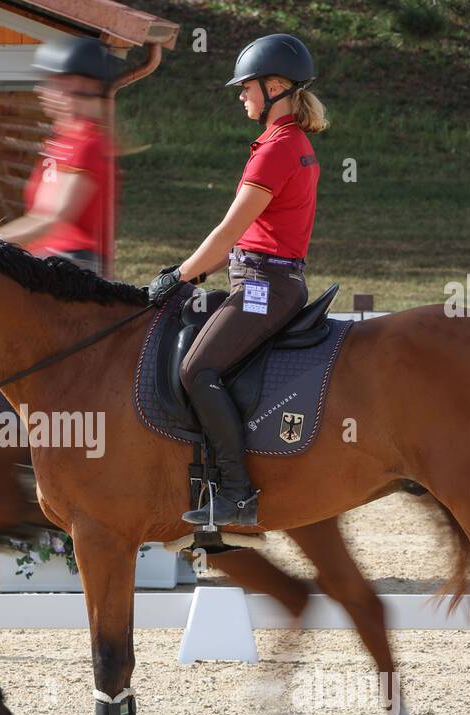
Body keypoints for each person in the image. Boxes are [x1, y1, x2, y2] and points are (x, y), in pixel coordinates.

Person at [146, 34, 327, 526]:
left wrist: (179, 276)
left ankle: (238, 492)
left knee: (197, 370)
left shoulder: (278, 149)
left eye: (245, 87)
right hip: (265, 278)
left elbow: (230, 230)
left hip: (264, 285)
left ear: (274, 87)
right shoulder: (286, 142)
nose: (240, 95)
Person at [0, 36, 115, 274]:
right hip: (50, 258)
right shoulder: (65, 141)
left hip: (74, 266)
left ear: (80, 86)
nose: (40, 90)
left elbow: (52, 218)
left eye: (52, 82)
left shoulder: (88, 143)